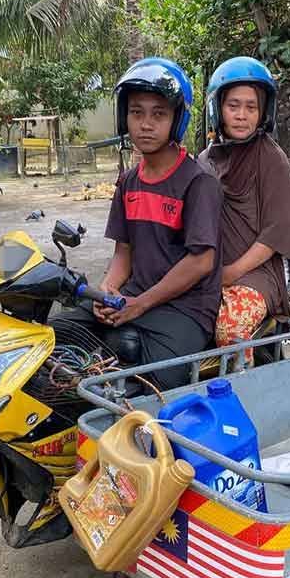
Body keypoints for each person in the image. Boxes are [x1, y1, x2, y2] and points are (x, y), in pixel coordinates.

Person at [53, 57, 223, 392]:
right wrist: (107, 292)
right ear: (124, 117)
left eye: (158, 114)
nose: (146, 124)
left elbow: (201, 261)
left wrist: (140, 304)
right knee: (55, 336)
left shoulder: (199, 182)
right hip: (132, 298)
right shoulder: (129, 182)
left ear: (177, 119)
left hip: (184, 309)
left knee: (153, 385)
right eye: (136, 112)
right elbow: (124, 252)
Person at [199, 57, 290, 364]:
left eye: (251, 107)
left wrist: (230, 273)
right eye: (233, 106)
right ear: (217, 108)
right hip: (207, 271)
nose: (242, 115)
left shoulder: (272, 158)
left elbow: (277, 231)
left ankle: (244, 385)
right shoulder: (204, 160)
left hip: (256, 274)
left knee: (230, 328)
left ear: (263, 113)